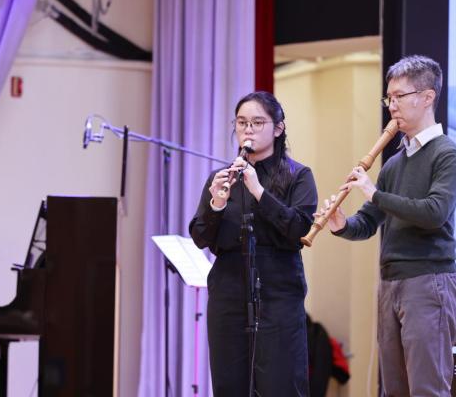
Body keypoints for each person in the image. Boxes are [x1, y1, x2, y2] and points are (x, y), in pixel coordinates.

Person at [321, 55, 456, 396]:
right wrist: (341, 223)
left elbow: (435, 213)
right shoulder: (394, 163)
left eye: (399, 96)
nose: (391, 105)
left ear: (427, 97)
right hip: (390, 282)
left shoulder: (447, 152)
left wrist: (374, 192)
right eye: (389, 98)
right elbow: (369, 221)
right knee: (394, 389)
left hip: (428, 281)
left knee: (427, 389)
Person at [189, 91, 318, 396]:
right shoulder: (221, 177)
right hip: (228, 292)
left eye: (258, 123)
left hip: (278, 292)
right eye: (242, 122)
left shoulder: (298, 175)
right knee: (229, 384)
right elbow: (200, 236)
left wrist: (260, 192)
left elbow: (298, 228)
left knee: (280, 384)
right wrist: (216, 204)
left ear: (278, 128)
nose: (248, 130)